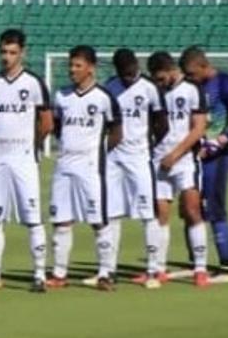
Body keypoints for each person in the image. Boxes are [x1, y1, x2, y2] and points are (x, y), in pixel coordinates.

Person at [0, 29, 51, 297]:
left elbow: (47, 121)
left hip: (22, 157)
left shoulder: (33, 83)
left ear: (22, 53)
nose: (7, 57)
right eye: (3, 52)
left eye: (12, 52)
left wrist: (33, 144)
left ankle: (40, 274)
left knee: (32, 217)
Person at [46, 47, 120, 291]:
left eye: (78, 66)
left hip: (90, 169)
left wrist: (99, 151)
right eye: (71, 65)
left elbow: (116, 131)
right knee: (61, 221)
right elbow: (57, 126)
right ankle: (59, 273)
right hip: (64, 165)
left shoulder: (103, 97)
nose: (72, 70)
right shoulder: (62, 96)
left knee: (98, 221)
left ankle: (105, 273)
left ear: (91, 67)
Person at [181, 47, 228, 270]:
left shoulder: (224, 83)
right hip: (191, 156)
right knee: (190, 208)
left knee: (214, 208)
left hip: (217, 157)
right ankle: (195, 262)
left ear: (204, 66)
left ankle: (225, 264)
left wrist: (220, 140)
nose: (190, 78)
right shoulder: (191, 87)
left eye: (192, 73)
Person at [147, 51, 213, 288]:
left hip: (184, 161)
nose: (159, 83)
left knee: (192, 210)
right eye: (156, 80)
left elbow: (198, 128)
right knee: (160, 214)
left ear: (171, 70)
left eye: (161, 78)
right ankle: (158, 268)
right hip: (158, 160)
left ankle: (201, 268)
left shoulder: (193, 89)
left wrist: (175, 154)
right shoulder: (154, 92)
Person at [104, 49, 167, 284]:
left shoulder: (150, 88)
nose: (129, 77)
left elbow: (162, 122)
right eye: (125, 74)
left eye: (132, 72)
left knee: (148, 213)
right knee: (111, 213)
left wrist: (151, 145)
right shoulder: (110, 87)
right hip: (113, 159)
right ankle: (107, 269)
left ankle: (152, 269)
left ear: (136, 66)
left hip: (139, 158)